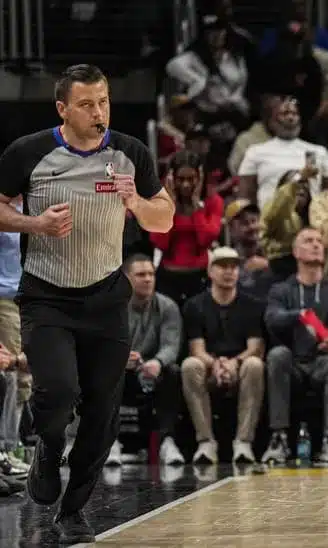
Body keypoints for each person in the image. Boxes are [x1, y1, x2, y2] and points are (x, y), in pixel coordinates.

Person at [0, 64, 174, 543]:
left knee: (102, 414)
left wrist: (136, 202)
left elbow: (164, 219)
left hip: (105, 299)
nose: (99, 113)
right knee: (57, 393)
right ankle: (47, 446)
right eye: (86, 104)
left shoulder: (130, 152)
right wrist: (35, 224)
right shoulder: (29, 152)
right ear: (63, 109)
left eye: (104, 102)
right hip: (47, 297)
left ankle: (74, 510)